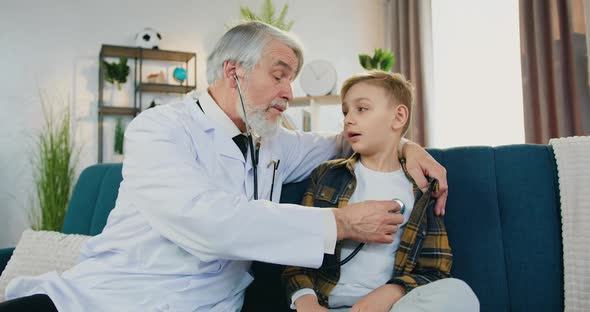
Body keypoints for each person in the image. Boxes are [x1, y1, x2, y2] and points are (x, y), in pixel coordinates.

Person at [1, 22, 448, 311]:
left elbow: (347, 138)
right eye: (279, 74)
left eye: (291, 78)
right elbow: (204, 220)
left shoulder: (273, 141)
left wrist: (407, 146)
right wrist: (339, 222)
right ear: (234, 71)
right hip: (114, 297)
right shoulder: (158, 129)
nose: (289, 92)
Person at [282, 71, 478, 312]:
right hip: (327, 306)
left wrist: (391, 291)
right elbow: (298, 250)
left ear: (398, 117)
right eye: (345, 111)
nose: (348, 120)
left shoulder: (421, 187)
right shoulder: (327, 175)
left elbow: (435, 269)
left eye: (361, 109)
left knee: (459, 293)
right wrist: (306, 301)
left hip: (394, 307)